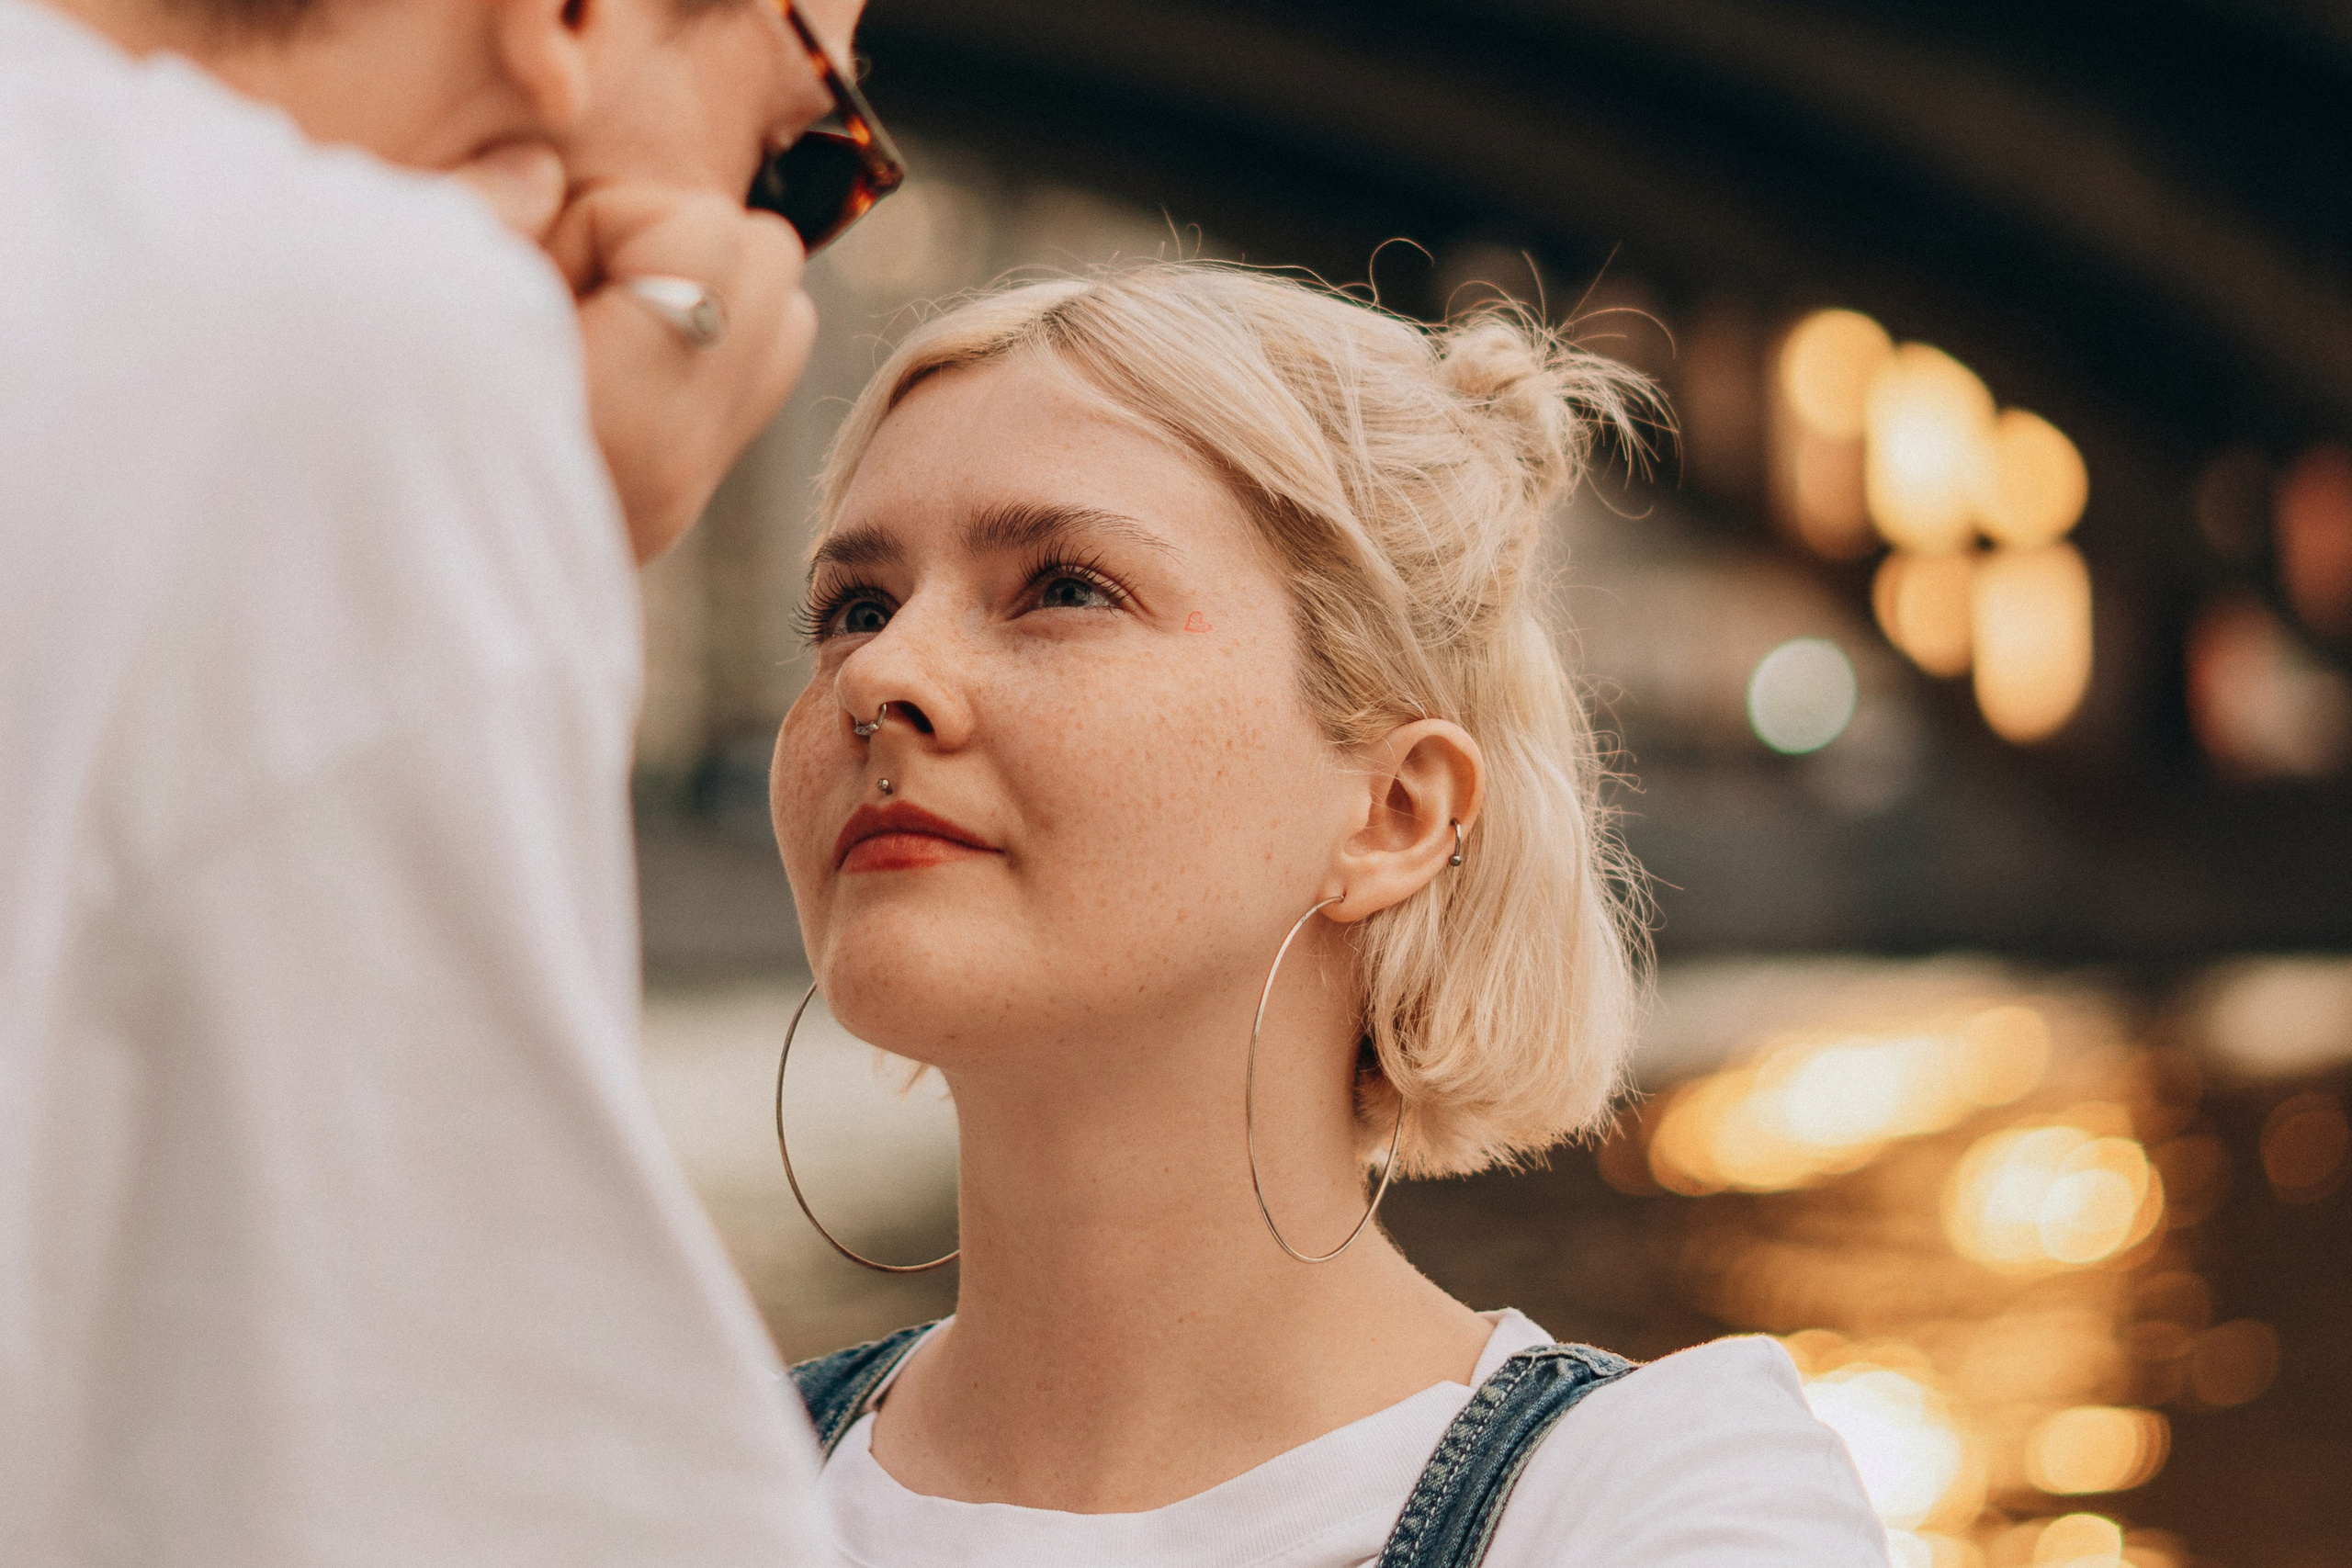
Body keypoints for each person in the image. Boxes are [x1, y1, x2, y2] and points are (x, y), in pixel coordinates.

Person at [764, 264, 1894, 1567]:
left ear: (1394, 814)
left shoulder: (1651, 1508)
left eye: (1063, 588)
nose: (883, 674)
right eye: (855, 608)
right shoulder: (666, 1492)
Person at [0, 0, 874, 1561]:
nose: (770, 245)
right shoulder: (367, 335)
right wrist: (512, 500)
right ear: (569, 21)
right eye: (804, 150)